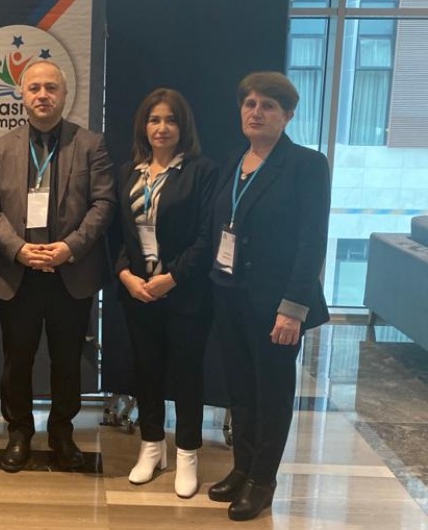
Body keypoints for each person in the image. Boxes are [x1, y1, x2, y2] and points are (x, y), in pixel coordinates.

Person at [0, 60, 115, 472]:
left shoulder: (90, 144)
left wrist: (70, 248)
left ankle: (61, 433)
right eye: (34, 87)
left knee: (67, 361)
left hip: (69, 273)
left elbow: (103, 203)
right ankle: (19, 432)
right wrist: (18, 249)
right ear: (21, 94)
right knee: (16, 360)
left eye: (51, 88)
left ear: (64, 94)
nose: (43, 95)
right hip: (17, 274)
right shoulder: (1, 147)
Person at [207, 72, 330, 521]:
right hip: (230, 295)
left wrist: (293, 309)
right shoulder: (232, 162)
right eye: (249, 104)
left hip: (277, 305)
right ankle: (242, 467)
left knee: (271, 393)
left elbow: (312, 241)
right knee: (240, 389)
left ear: (288, 115)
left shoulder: (306, 165)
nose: (256, 112)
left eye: (268, 106)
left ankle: (262, 480)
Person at [111, 88, 217, 497]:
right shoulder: (130, 172)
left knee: (187, 374)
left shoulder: (201, 171)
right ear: (143, 126)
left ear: (183, 126)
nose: (162, 127)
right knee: (147, 371)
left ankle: (187, 453)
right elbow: (121, 234)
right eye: (154, 119)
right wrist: (125, 275)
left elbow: (206, 238)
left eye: (170, 120)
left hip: (185, 294)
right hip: (139, 293)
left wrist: (171, 278)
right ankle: (152, 447)